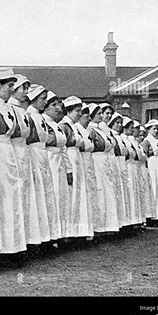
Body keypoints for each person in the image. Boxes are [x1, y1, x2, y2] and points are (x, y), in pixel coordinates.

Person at [0, 67, 27, 267]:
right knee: (0, 204)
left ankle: (13, 248)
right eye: (9, 86)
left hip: (9, 157)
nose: (12, 89)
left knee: (13, 202)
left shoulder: (9, 108)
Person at [9, 75, 48, 251]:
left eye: (27, 89)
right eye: (22, 89)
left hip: (25, 155)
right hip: (13, 155)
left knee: (26, 199)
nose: (26, 92)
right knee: (15, 200)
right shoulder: (8, 108)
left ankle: (27, 241)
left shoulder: (23, 111)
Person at [26, 84, 56, 249]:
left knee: (45, 197)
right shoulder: (29, 115)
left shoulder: (40, 116)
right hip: (34, 155)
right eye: (43, 99)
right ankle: (35, 240)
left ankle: (46, 237)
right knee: (37, 197)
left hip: (43, 155)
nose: (45, 102)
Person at [59, 96, 93, 242]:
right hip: (71, 159)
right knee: (72, 196)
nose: (80, 114)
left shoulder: (74, 126)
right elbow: (63, 149)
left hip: (78, 159)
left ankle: (79, 231)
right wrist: (68, 168)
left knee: (79, 196)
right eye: (77, 111)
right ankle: (70, 234)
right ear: (69, 111)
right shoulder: (64, 125)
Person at [87, 104, 119, 235]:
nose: (102, 116)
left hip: (105, 163)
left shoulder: (102, 130)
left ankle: (108, 225)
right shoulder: (90, 129)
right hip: (97, 162)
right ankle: (99, 227)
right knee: (100, 193)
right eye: (99, 113)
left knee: (107, 192)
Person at [43, 90, 70, 243]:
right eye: (53, 105)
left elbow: (63, 146)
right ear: (45, 107)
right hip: (49, 160)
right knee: (51, 197)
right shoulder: (43, 121)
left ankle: (60, 234)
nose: (58, 108)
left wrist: (68, 168)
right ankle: (51, 236)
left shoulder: (56, 125)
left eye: (58, 105)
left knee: (61, 197)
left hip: (59, 161)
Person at [75, 103, 99, 239]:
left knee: (89, 196)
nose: (89, 119)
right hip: (81, 161)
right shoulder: (76, 129)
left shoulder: (84, 130)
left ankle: (89, 230)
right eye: (86, 115)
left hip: (88, 162)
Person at [108, 112, 132, 229]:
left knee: (123, 192)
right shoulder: (111, 135)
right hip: (115, 162)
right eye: (116, 123)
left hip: (122, 164)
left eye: (121, 123)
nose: (119, 125)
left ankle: (124, 222)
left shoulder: (121, 137)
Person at [121, 116, 143, 228]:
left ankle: (136, 219)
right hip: (128, 167)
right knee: (129, 193)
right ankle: (130, 220)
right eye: (130, 127)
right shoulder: (123, 138)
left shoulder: (130, 140)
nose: (132, 129)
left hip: (134, 167)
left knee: (135, 193)